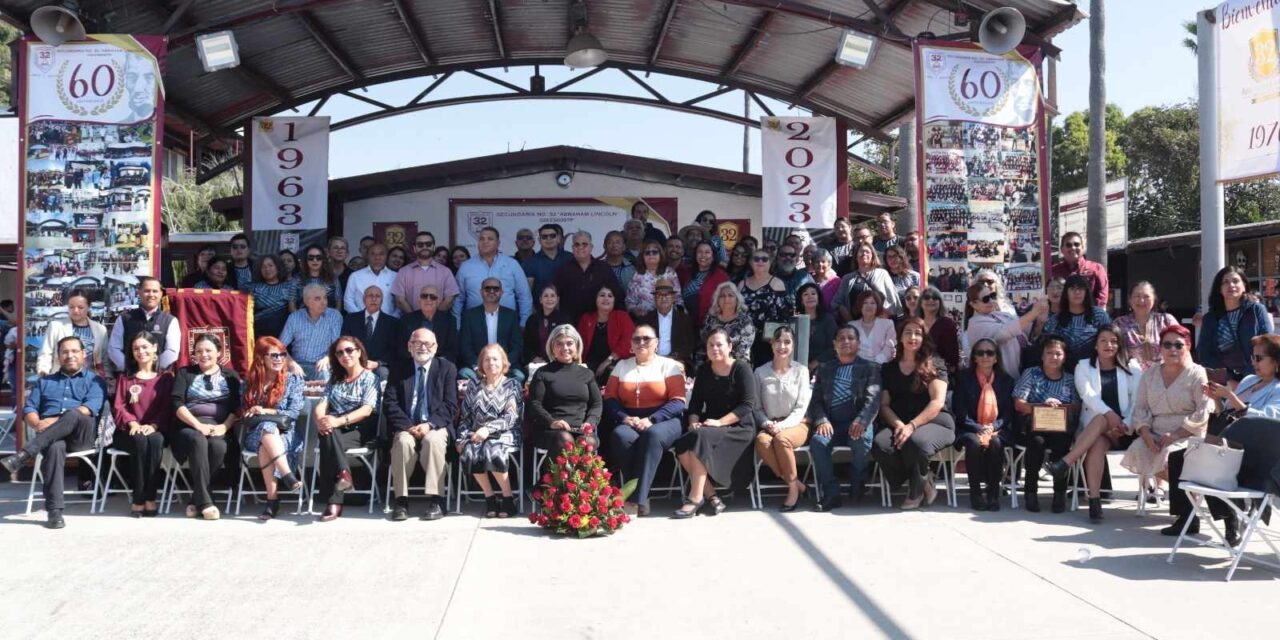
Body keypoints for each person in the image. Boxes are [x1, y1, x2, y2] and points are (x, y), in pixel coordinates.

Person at [1177, 334, 1280, 543]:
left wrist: (1231, 396)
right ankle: (1195, 518)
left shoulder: (1277, 388)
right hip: (1231, 445)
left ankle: (1232, 520)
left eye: (1259, 358)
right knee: (1183, 459)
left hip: (1257, 453)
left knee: (1211, 467)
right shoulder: (1250, 380)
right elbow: (1225, 413)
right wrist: (1216, 399)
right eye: (1252, 357)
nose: (1254, 362)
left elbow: (1269, 420)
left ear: (1276, 361)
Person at [1, 337, 107, 528]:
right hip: (50, 436)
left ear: (84, 355)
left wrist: (53, 422)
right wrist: (37, 422)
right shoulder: (45, 382)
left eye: (75, 351)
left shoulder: (95, 381)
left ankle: (24, 455)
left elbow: (89, 409)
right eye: (65, 352)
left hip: (81, 435)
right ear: (58, 356)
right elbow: (29, 409)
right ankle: (54, 511)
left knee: (74, 413)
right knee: (54, 447)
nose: (70, 355)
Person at [1048, 326, 1142, 522]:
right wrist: (1110, 415)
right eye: (1103, 341)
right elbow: (1088, 395)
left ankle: (1066, 462)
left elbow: (1138, 401)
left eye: (1113, 341)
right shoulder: (1083, 366)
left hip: (1127, 430)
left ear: (1119, 344)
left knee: (1100, 424)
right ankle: (1094, 501)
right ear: (1096, 345)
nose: (1109, 345)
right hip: (1095, 430)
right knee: (1098, 434)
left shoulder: (1132, 366)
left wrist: (1124, 423)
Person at [1119, 324, 1210, 523]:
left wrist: (1176, 435)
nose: (1172, 350)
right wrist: (1145, 434)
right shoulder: (1150, 374)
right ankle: (1190, 502)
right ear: (1160, 348)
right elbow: (1140, 408)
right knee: (1139, 449)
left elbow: (1202, 410)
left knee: (1169, 456)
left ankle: (1185, 514)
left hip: (1187, 433)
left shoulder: (1197, 373)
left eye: (1178, 345)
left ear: (1188, 346)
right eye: (1167, 345)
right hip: (1155, 432)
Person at [672, 329, 757, 518]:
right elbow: (695, 403)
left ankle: (694, 498)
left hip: (738, 427)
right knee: (683, 443)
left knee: (699, 438)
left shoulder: (742, 368)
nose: (715, 348)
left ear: (730, 347)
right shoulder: (703, 369)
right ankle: (711, 496)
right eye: (711, 345)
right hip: (711, 425)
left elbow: (747, 405)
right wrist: (693, 422)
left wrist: (720, 423)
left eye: (719, 344)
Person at [606, 324, 687, 516]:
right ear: (631, 344)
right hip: (631, 419)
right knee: (620, 436)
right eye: (636, 339)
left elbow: (679, 402)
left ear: (656, 343)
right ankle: (640, 492)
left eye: (646, 339)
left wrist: (652, 419)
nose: (641, 342)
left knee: (652, 434)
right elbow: (609, 398)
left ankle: (636, 500)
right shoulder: (621, 366)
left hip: (664, 420)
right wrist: (624, 418)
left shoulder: (670, 365)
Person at [874, 318, 955, 509]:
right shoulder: (889, 368)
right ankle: (923, 480)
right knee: (880, 444)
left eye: (918, 333)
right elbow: (884, 405)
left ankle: (916, 491)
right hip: (900, 422)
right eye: (908, 333)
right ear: (900, 337)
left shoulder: (935, 363)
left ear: (924, 338)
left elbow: (937, 402)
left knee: (916, 442)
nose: (913, 337)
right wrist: (900, 426)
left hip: (935, 421)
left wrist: (912, 426)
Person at [384, 328, 459, 522]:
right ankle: (401, 500)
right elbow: (390, 404)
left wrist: (429, 425)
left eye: (428, 344)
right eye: (418, 343)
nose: (423, 347)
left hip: (435, 425)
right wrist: (409, 426)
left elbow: (450, 405)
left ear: (435, 348)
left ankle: (437, 499)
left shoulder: (447, 368)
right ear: (409, 346)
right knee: (402, 442)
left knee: (433, 441)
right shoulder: (399, 369)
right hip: (407, 426)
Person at [806, 325, 882, 512]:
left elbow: (873, 400)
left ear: (858, 343)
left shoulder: (870, 368)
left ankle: (858, 483)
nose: (846, 341)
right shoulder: (825, 369)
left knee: (861, 438)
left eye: (850, 338)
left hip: (857, 422)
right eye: (841, 338)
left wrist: (862, 421)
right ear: (834, 344)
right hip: (831, 424)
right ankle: (831, 494)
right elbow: (815, 402)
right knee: (818, 442)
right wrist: (822, 420)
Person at [171, 334, 242, 521]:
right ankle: (206, 503)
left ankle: (197, 498)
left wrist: (224, 427)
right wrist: (198, 425)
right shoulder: (185, 373)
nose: (204, 354)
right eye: (199, 351)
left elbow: (237, 407)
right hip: (189, 426)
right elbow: (177, 403)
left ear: (219, 352)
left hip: (219, 427)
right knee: (197, 440)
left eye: (208, 350)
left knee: (219, 446)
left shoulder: (231, 376)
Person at [238, 337, 306, 520]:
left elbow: (293, 412)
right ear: (261, 357)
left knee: (265, 442)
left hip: (286, 434)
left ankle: (272, 499)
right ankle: (288, 476)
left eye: (283, 355)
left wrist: (265, 410)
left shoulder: (293, 380)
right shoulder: (249, 383)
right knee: (266, 429)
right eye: (274, 355)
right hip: (255, 435)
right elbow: (242, 413)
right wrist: (251, 410)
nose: (279, 359)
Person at [313, 336, 380, 522]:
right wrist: (321, 419)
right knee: (327, 433)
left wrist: (337, 421)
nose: (345, 355)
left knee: (328, 438)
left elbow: (367, 410)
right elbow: (321, 404)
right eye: (340, 352)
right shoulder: (335, 379)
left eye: (349, 350)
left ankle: (333, 502)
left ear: (359, 352)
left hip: (360, 428)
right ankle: (344, 475)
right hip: (336, 429)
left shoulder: (370, 378)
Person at [1012, 335, 1080, 513]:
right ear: (1042, 355)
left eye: (1058, 353)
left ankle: (1059, 493)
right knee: (1036, 442)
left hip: (1060, 425)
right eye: (1049, 353)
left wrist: (1059, 406)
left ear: (1064, 357)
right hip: (1034, 424)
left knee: (1062, 444)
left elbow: (1075, 406)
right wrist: (1042, 406)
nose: (1054, 357)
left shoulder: (1070, 379)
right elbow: (1019, 403)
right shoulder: (1031, 373)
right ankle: (1030, 491)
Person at [110, 332, 173, 517]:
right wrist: (132, 423)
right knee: (139, 441)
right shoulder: (126, 378)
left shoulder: (166, 378)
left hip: (156, 428)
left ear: (154, 348)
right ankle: (138, 498)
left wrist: (154, 425)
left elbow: (168, 407)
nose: (140, 351)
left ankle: (150, 497)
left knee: (153, 441)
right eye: (136, 348)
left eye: (145, 347)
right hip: (129, 431)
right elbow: (119, 406)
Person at [457, 344, 523, 518]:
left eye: (495, 359)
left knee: (491, 450)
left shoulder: (512, 385)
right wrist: (461, 439)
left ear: (503, 362)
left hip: (506, 433)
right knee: (470, 451)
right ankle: (490, 498)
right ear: (481, 364)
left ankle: (508, 498)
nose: (490, 363)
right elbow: (465, 417)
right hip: (478, 433)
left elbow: (512, 417)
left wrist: (488, 429)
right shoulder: (473, 385)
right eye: (486, 359)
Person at [753, 326, 812, 511]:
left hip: (797, 424)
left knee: (782, 439)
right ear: (771, 344)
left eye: (787, 342)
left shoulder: (801, 371)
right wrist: (767, 423)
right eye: (778, 341)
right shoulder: (760, 372)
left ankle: (793, 491)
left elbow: (801, 406)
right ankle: (797, 484)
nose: (782, 346)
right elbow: (756, 407)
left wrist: (783, 426)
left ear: (793, 346)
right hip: (770, 424)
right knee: (762, 441)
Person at [951, 338, 1015, 511]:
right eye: (980, 353)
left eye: (990, 353)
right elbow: (960, 411)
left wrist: (993, 427)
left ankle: (993, 493)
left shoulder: (1006, 380)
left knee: (995, 442)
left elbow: (1008, 412)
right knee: (973, 442)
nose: (985, 356)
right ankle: (976, 493)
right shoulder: (964, 378)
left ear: (996, 358)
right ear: (974, 358)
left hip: (997, 428)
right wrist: (979, 429)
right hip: (969, 427)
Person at [528, 325, 602, 462]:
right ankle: (556, 482)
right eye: (559, 344)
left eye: (569, 343)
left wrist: (590, 422)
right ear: (552, 347)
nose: (565, 348)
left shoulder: (587, 374)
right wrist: (552, 422)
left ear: (577, 346)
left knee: (587, 442)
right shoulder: (543, 373)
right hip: (551, 431)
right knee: (565, 440)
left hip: (580, 430)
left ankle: (579, 483)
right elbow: (534, 404)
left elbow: (597, 403)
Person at [1197, 266, 1274, 380]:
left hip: (1257, 378)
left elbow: (1267, 344)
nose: (1231, 285)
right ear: (1219, 288)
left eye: (1235, 281)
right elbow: (1204, 353)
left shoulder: (1256, 310)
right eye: (1225, 282)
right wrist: (1228, 380)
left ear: (1244, 286)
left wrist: (1247, 381)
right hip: (1224, 383)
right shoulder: (1210, 318)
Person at [455, 227, 534, 326]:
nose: (485, 242)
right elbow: (458, 300)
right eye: (482, 239)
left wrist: (524, 323)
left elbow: (524, 296)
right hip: (474, 324)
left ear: (498, 243)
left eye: (490, 239)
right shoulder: (466, 267)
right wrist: (456, 325)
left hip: (507, 324)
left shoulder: (512, 264)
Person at [965, 282, 1043, 378]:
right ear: (973, 304)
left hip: (1023, 366)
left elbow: (1025, 330)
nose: (990, 300)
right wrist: (1034, 313)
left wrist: (1039, 320)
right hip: (1004, 376)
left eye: (992, 295)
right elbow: (1006, 332)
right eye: (985, 299)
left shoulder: (1001, 314)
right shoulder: (975, 324)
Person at [109, 277, 181, 373]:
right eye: (147, 291)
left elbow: (172, 351)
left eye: (155, 291)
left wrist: (151, 370)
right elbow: (114, 349)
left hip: (159, 378)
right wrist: (130, 369)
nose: (151, 294)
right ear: (139, 293)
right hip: (129, 376)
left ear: (161, 294)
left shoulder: (170, 321)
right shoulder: (124, 318)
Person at [459, 278, 524, 382]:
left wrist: (504, 365)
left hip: (504, 366)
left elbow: (517, 345)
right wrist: (478, 367)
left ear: (501, 292)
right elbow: (465, 346)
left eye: (496, 289)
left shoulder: (511, 315)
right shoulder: (469, 315)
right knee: (464, 373)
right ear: (481, 292)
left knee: (519, 376)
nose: (492, 291)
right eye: (487, 288)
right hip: (478, 366)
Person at [552, 231, 624, 321]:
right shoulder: (563, 269)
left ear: (591, 247)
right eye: (577, 244)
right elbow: (555, 296)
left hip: (598, 324)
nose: (580, 247)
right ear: (572, 248)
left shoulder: (604, 268)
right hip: (570, 324)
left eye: (584, 244)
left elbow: (616, 295)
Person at [1041, 274, 1111, 366]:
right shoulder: (1055, 319)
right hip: (1064, 371)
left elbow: (1110, 340)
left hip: (1094, 368)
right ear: (1066, 293)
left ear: (1086, 292)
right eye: (1072, 289)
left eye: (1081, 289)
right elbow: (1047, 347)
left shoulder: (1099, 315)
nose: (1077, 292)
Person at [37, 290, 108, 377]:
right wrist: (43, 372)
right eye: (71, 307)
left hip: (91, 380)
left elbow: (105, 358)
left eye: (80, 307)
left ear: (89, 307)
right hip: (60, 378)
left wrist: (108, 377)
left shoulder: (100, 330)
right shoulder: (56, 326)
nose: (75, 311)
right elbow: (46, 353)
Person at [280, 283, 344, 380]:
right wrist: (291, 364)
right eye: (318, 299)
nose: (324, 302)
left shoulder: (335, 316)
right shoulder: (294, 317)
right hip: (297, 363)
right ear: (307, 302)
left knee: (325, 376)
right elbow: (280, 346)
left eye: (325, 298)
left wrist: (328, 358)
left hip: (321, 365)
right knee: (288, 381)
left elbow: (337, 345)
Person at [739, 248, 791, 366]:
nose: (760, 262)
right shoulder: (742, 284)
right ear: (751, 263)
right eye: (756, 259)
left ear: (770, 262)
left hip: (768, 339)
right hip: (745, 338)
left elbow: (784, 314)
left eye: (764, 259)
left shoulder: (777, 283)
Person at [1113, 281, 1179, 370]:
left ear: (1154, 299)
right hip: (1131, 378)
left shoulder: (1166, 320)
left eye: (1146, 296)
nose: (1141, 301)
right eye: (1137, 296)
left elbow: (1182, 348)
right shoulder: (1119, 323)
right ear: (1129, 299)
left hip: (1164, 377)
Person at [391, 231, 460, 316]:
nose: (424, 247)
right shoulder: (403, 271)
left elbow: (449, 300)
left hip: (438, 325)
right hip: (410, 323)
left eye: (428, 244)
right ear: (414, 248)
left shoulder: (446, 272)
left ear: (433, 247)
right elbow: (399, 300)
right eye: (420, 245)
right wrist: (414, 319)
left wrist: (434, 319)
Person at [635, 279, 696, 374]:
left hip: (676, 360)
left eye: (667, 295)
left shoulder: (684, 320)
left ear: (673, 298)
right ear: (654, 298)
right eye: (659, 295)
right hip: (651, 361)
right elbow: (641, 344)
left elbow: (688, 345)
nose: (663, 298)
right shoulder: (645, 320)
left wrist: (671, 360)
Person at [578, 285, 635, 383]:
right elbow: (578, 344)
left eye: (610, 296)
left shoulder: (622, 316)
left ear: (614, 300)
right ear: (595, 299)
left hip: (615, 364)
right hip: (589, 365)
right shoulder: (586, 318)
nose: (606, 298)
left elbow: (628, 342)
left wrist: (607, 362)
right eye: (602, 295)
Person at [341, 285, 398, 379]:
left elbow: (393, 350)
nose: (374, 299)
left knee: (384, 373)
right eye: (370, 296)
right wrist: (356, 361)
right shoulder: (351, 319)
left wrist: (377, 363)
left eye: (377, 296)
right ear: (364, 299)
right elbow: (344, 344)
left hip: (379, 365)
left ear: (382, 301)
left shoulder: (392, 323)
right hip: (354, 362)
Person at [836, 243, 901, 321]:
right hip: (855, 324)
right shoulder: (847, 278)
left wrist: (883, 319)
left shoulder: (882, 273)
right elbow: (837, 302)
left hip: (879, 322)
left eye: (867, 251)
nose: (864, 253)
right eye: (861, 251)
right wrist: (849, 320)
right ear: (856, 257)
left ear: (872, 256)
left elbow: (892, 299)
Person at [399, 284, 459, 365]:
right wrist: (418, 361)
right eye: (424, 296)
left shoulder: (449, 321)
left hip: (439, 366)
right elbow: (401, 349)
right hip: (412, 365)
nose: (428, 299)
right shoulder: (406, 320)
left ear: (438, 301)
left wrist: (433, 363)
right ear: (419, 300)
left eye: (433, 297)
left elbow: (452, 350)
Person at [243, 255, 300, 339]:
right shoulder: (254, 288)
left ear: (277, 267)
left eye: (270, 265)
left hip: (282, 336)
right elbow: (246, 312)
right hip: (258, 335)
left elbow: (292, 311)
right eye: (263, 267)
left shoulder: (288, 287)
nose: (267, 269)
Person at [700, 282, 755, 365]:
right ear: (717, 300)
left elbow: (743, 353)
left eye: (730, 295)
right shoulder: (710, 319)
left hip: (736, 366)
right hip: (711, 364)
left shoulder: (745, 321)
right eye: (722, 296)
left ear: (737, 300)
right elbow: (703, 345)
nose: (726, 299)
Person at [678, 241, 731, 327]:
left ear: (713, 256)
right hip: (688, 324)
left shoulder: (721, 276)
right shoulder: (688, 274)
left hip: (711, 325)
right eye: (700, 252)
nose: (703, 255)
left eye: (707, 252)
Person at [1050, 232, 1109, 308]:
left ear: (1083, 248)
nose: (1073, 248)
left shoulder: (1096, 268)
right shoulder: (1054, 271)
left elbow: (1102, 296)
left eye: (1077, 244)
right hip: (1061, 316)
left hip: (1090, 316)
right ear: (1062, 250)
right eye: (1068, 245)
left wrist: (1096, 315)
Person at [626, 239, 682, 317]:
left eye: (655, 252)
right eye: (647, 253)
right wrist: (636, 311)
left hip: (667, 318)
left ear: (660, 254)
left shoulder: (670, 273)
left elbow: (678, 299)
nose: (651, 255)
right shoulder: (636, 276)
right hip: (644, 319)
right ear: (642, 256)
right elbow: (629, 302)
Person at [523, 284, 573, 368]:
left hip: (559, 362)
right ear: (540, 299)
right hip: (536, 363)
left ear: (557, 299)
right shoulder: (532, 320)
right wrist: (534, 358)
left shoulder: (565, 320)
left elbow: (569, 344)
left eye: (552, 296)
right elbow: (527, 345)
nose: (549, 299)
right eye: (546, 296)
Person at [343, 243, 399, 317]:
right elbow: (348, 301)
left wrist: (391, 319)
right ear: (367, 256)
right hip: (360, 323)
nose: (377, 257)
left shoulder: (395, 276)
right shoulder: (355, 276)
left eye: (381, 254)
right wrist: (361, 318)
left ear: (387, 256)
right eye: (373, 254)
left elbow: (400, 303)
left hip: (389, 324)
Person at [796, 282, 837, 373]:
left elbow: (833, 347)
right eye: (806, 294)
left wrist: (814, 364)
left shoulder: (828, 319)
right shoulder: (796, 320)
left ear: (819, 298)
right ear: (801, 301)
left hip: (823, 367)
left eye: (813, 293)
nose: (810, 296)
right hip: (797, 367)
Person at [919, 286, 960, 373]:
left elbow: (953, 353)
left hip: (941, 372)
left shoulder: (947, 323)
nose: (931, 300)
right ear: (920, 303)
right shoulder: (915, 323)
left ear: (940, 302)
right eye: (926, 297)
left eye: (935, 297)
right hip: (916, 370)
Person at [523, 223, 571, 296]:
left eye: (552, 236)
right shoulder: (530, 262)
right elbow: (527, 292)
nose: (549, 239)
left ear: (558, 238)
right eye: (544, 236)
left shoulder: (570, 258)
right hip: (540, 307)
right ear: (539, 240)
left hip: (568, 306)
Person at [851, 291, 896, 364]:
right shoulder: (851, 326)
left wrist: (875, 363)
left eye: (872, 303)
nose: (869, 306)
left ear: (877, 306)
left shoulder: (888, 324)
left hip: (879, 366)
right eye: (865, 303)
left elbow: (889, 347)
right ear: (860, 305)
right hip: (856, 367)